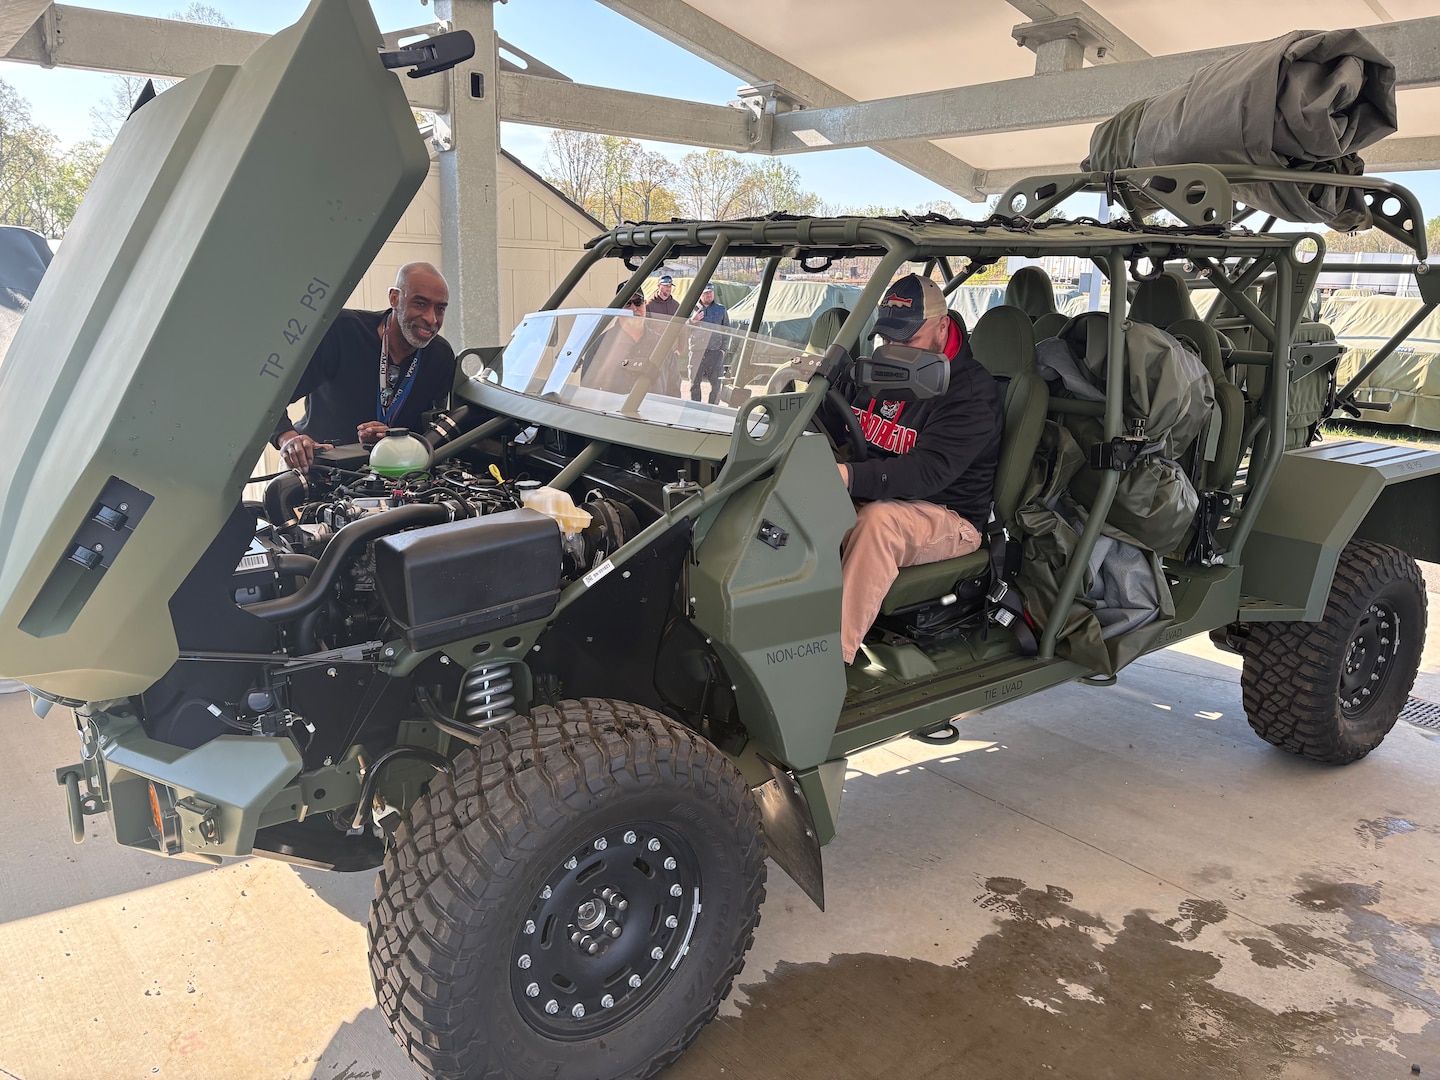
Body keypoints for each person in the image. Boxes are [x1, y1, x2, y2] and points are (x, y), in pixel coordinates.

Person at [836, 273, 1002, 665]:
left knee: (879, 523)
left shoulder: (971, 391)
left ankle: (830, 660)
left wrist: (849, 477)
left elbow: (929, 472)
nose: (895, 349)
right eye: (888, 339)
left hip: (948, 515)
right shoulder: (882, 370)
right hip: (880, 494)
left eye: (907, 339)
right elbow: (841, 422)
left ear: (942, 327)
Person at [273, 262, 454, 472]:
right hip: (316, 465)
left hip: (391, 473)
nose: (431, 319)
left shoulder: (441, 356)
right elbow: (270, 399)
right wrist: (288, 439)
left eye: (440, 309)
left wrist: (392, 438)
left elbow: (431, 432)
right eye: (420, 304)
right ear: (394, 298)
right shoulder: (342, 330)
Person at [579, 291, 676, 395]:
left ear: (645, 304)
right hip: (612, 410)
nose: (633, 309)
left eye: (638, 302)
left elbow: (674, 390)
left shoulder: (663, 345)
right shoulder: (599, 345)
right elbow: (588, 392)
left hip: (653, 410)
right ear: (617, 310)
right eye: (627, 304)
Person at [687, 282, 730, 404]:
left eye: (710, 292)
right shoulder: (691, 309)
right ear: (700, 295)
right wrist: (692, 321)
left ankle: (712, 409)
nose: (709, 295)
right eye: (706, 293)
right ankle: (696, 409)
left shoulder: (721, 309)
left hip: (715, 352)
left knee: (716, 385)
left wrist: (723, 349)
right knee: (694, 384)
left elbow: (727, 330)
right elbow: (682, 329)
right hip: (697, 351)